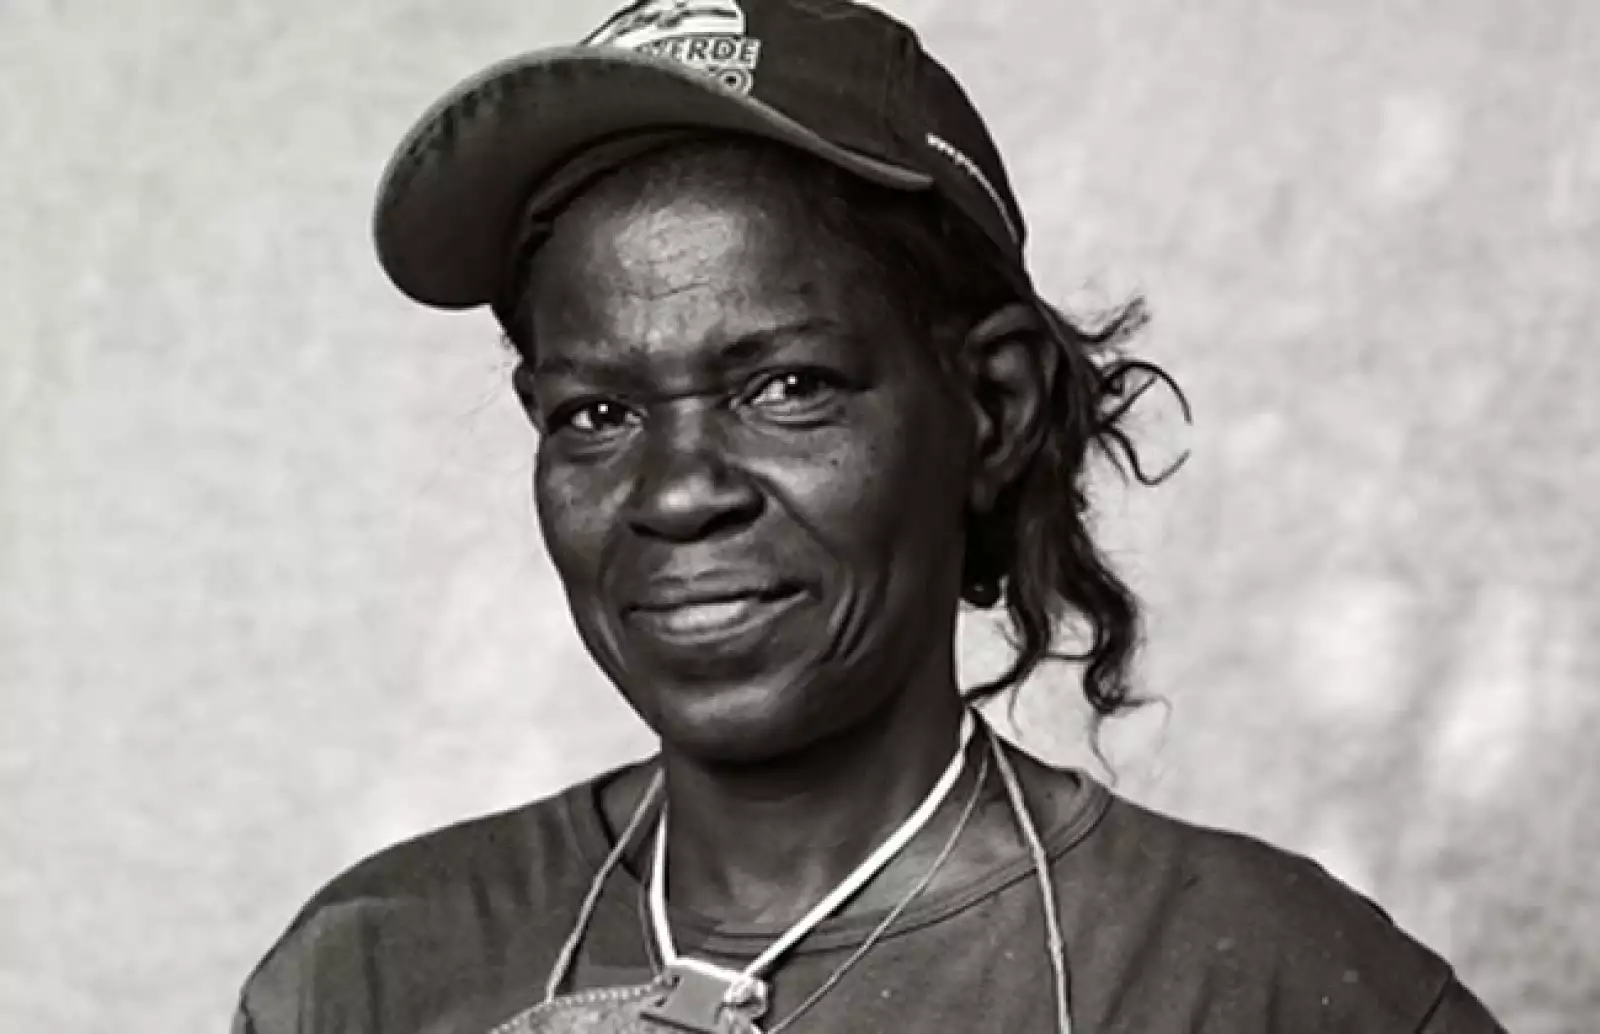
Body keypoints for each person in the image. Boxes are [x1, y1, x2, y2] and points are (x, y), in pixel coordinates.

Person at [232, 1, 1508, 1031]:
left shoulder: (1265, 984)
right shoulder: (373, 969)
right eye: (596, 412)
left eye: (786, 386)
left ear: (992, 408)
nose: (676, 490)